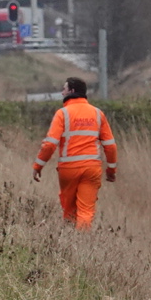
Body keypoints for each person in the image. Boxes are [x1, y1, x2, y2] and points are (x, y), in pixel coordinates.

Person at [32, 76, 116, 229]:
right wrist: (111, 169)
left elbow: (49, 145)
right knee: (86, 211)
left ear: (71, 91)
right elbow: (110, 146)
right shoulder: (98, 114)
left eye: (64, 89)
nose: (62, 92)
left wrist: (38, 166)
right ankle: (83, 240)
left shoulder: (62, 114)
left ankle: (70, 238)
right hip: (91, 168)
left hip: (68, 169)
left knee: (69, 210)